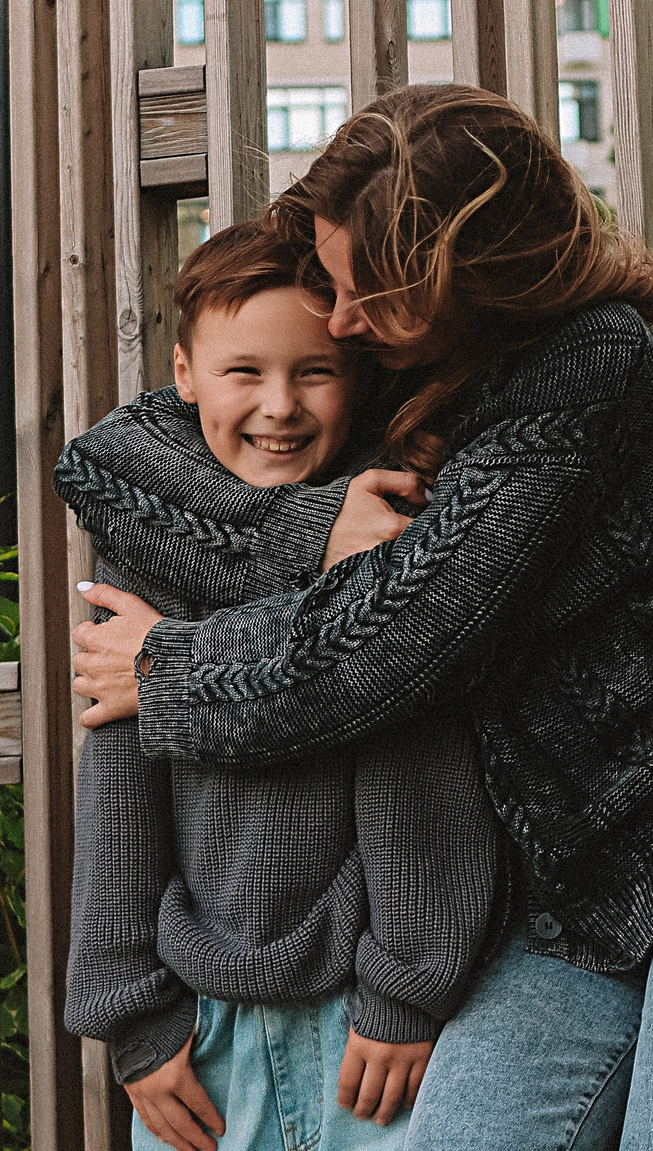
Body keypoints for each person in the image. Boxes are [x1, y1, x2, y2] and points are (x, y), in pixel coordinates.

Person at [65, 83, 653, 1151]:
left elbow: (398, 641)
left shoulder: (586, 368)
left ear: (471, 281)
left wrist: (167, 670)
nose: (341, 321)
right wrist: (308, 528)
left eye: (370, 298)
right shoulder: (393, 344)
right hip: (565, 893)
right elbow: (112, 456)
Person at [61, 214, 505, 1151]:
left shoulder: (385, 525)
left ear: (357, 378)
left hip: (360, 1018)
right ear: (183, 376)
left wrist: (405, 987)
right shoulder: (148, 548)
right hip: (200, 1027)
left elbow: (412, 762)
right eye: (243, 372)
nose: (280, 406)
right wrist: (130, 1015)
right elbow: (118, 779)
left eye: (314, 372)